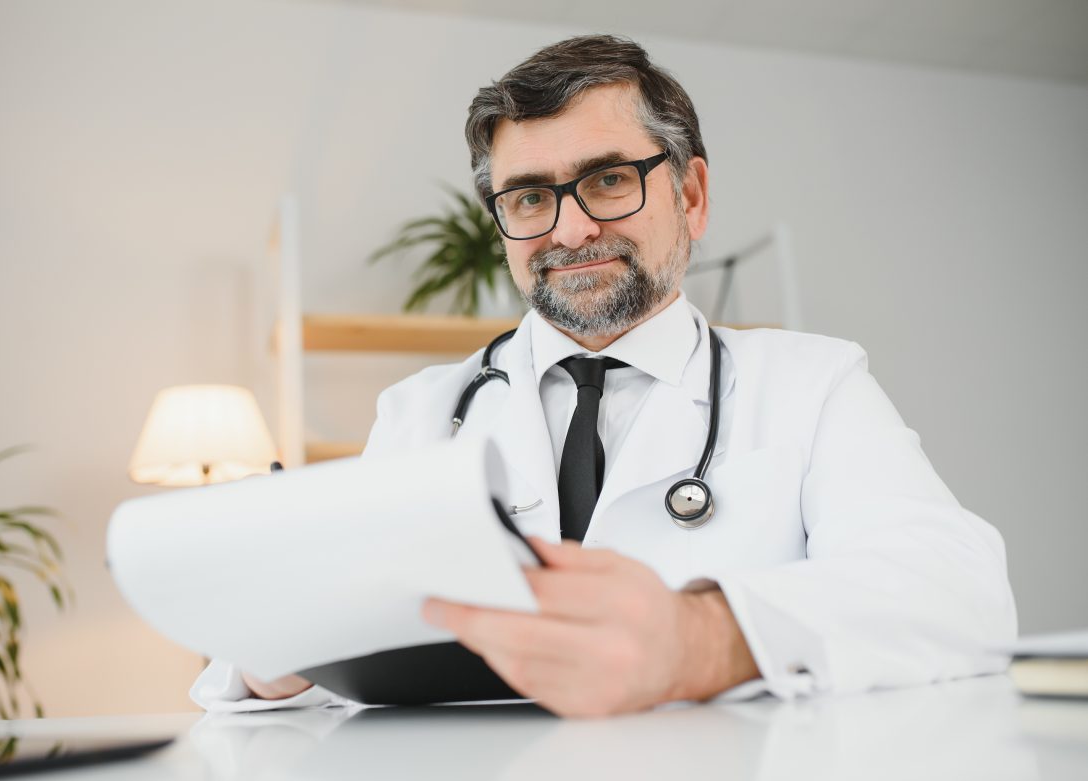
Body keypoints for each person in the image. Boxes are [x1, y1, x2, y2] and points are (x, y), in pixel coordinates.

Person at [191, 35, 1016, 718]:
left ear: (690, 194)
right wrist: (276, 650)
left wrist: (699, 640)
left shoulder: (813, 385)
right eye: (527, 198)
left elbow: (957, 592)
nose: (571, 227)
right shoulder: (419, 414)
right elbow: (310, 675)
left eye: (610, 179)